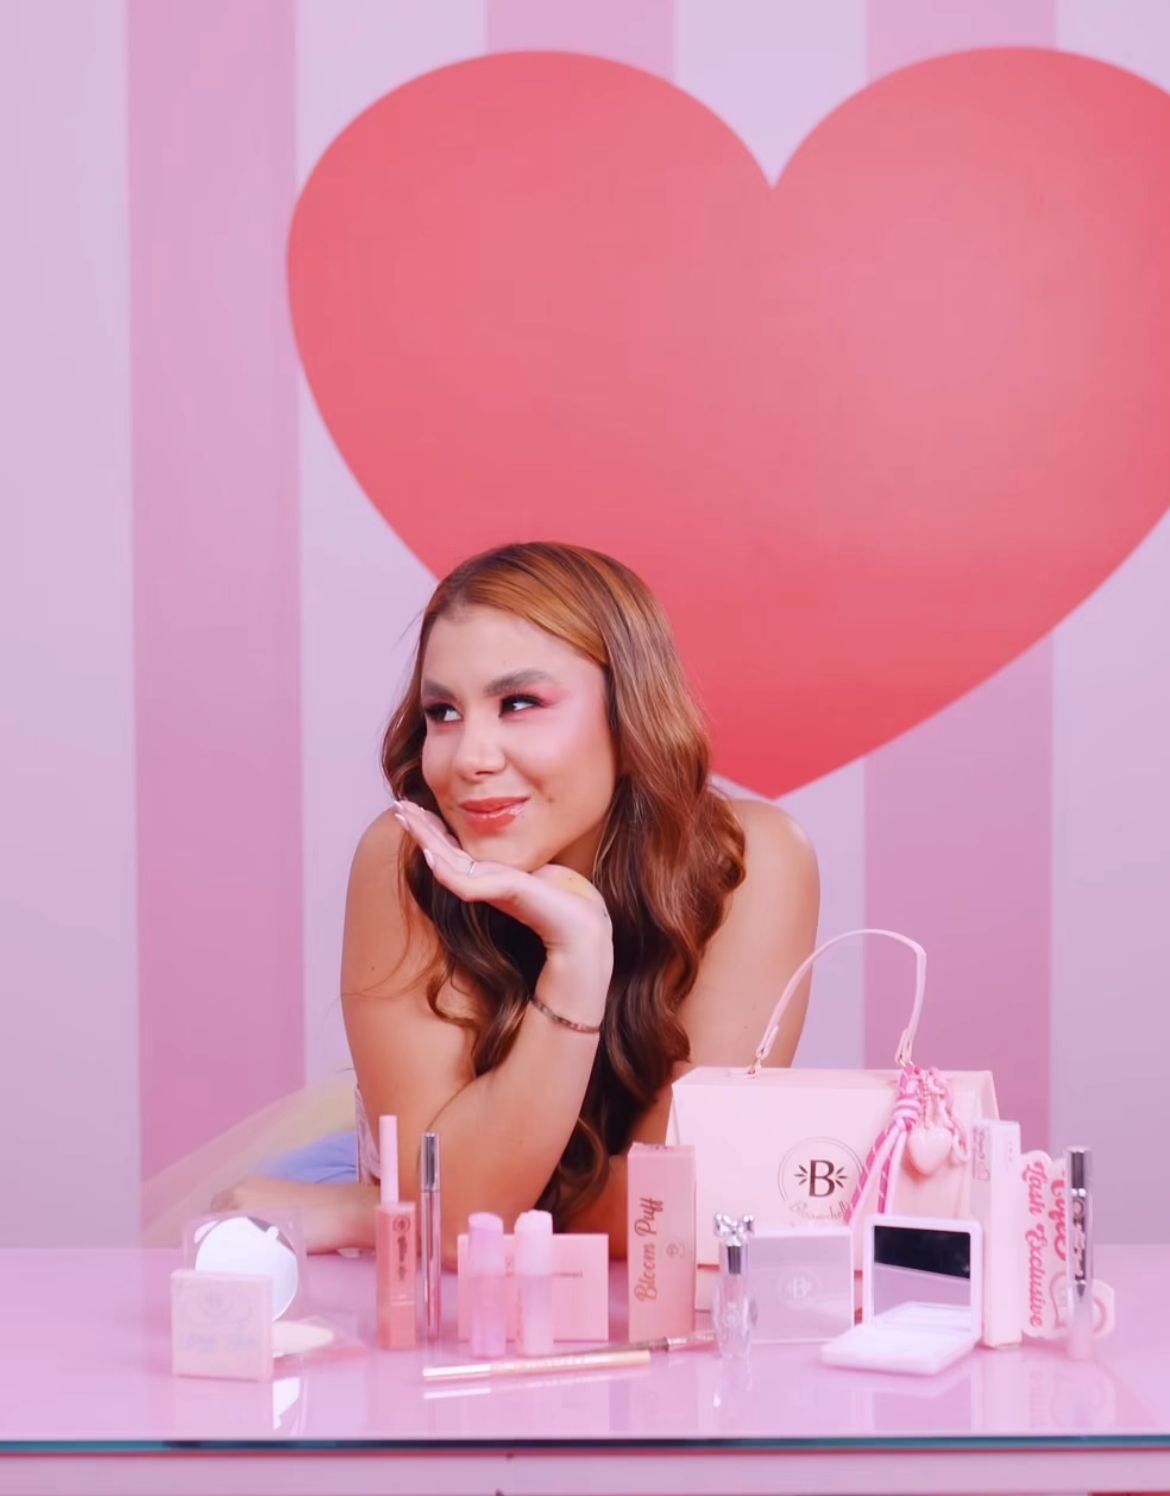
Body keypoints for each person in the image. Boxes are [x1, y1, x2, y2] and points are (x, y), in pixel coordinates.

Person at [214, 541, 819, 1260]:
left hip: (634, 1287)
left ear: (628, 712)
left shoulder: (749, 859)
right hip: (435, 1284)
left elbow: (677, 1200)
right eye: (443, 712)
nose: (470, 757)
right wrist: (576, 960)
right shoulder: (407, 855)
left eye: (519, 704)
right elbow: (451, 1221)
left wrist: (373, 1214)